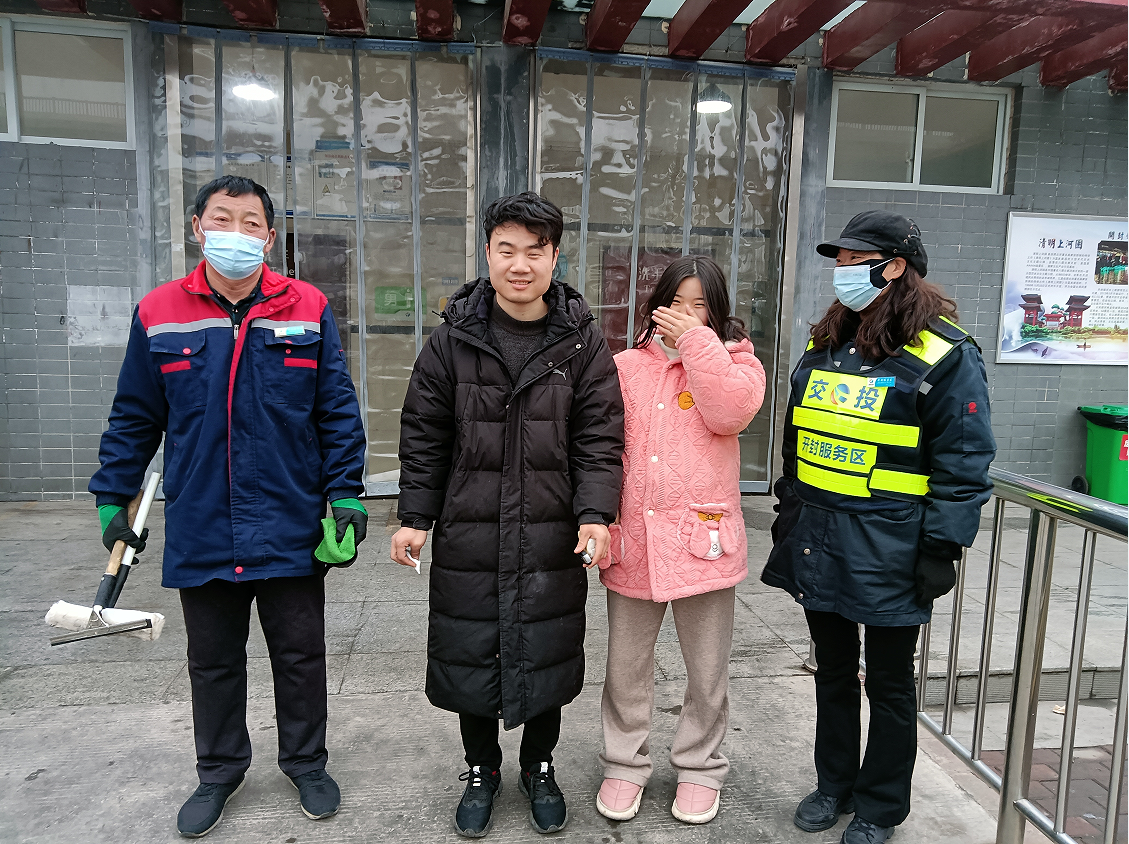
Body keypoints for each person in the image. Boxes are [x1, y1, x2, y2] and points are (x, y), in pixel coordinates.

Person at [90, 175, 368, 838]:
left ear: (269, 238)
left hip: (290, 517)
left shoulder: (307, 306)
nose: (235, 233)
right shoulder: (160, 311)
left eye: (251, 223)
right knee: (213, 661)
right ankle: (218, 770)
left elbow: (335, 410)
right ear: (198, 227)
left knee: (300, 656)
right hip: (203, 518)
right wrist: (112, 497)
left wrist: (345, 495)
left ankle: (306, 763)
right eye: (222, 219)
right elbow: (134, 415)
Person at [390, 192, 625, 837]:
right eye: (507, 250)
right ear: (488, 252)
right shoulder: (452, 340)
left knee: (545, 651)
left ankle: (539, 766)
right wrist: (415, 516)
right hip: (470, 526)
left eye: (535, 251)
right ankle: (481, 768)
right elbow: (424, 434)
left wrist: (595, 514)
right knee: (471, 650)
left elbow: (599, 437)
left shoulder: (581, 343)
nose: (520, 265)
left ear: (555, 256)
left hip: (550, 530)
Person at [761, 211, 995, 844]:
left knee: (889, 684)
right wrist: (789, 509)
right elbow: (797, 437)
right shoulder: (828, 342)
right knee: (832, 672)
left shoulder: (945, 353)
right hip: (819, 537)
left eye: (853, 261)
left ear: (895, 267)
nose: (841, 273)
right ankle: (833, 784)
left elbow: (963, 459)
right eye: (838, 262)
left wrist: (943, 546)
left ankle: (880, 807)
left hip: (892, 546)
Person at [594, 256, 766, 826]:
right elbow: (599, 446)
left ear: (717, 312)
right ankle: (624, 762)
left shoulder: (739, 365)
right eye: (676, 303)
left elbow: (729, 415)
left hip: (704, 542)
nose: (687, 315)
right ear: (655, 306)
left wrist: (697, 343)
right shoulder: (625, 366)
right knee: (625, 665)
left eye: (701, 306)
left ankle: (699, 766)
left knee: (707, 668)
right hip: (635, 541)